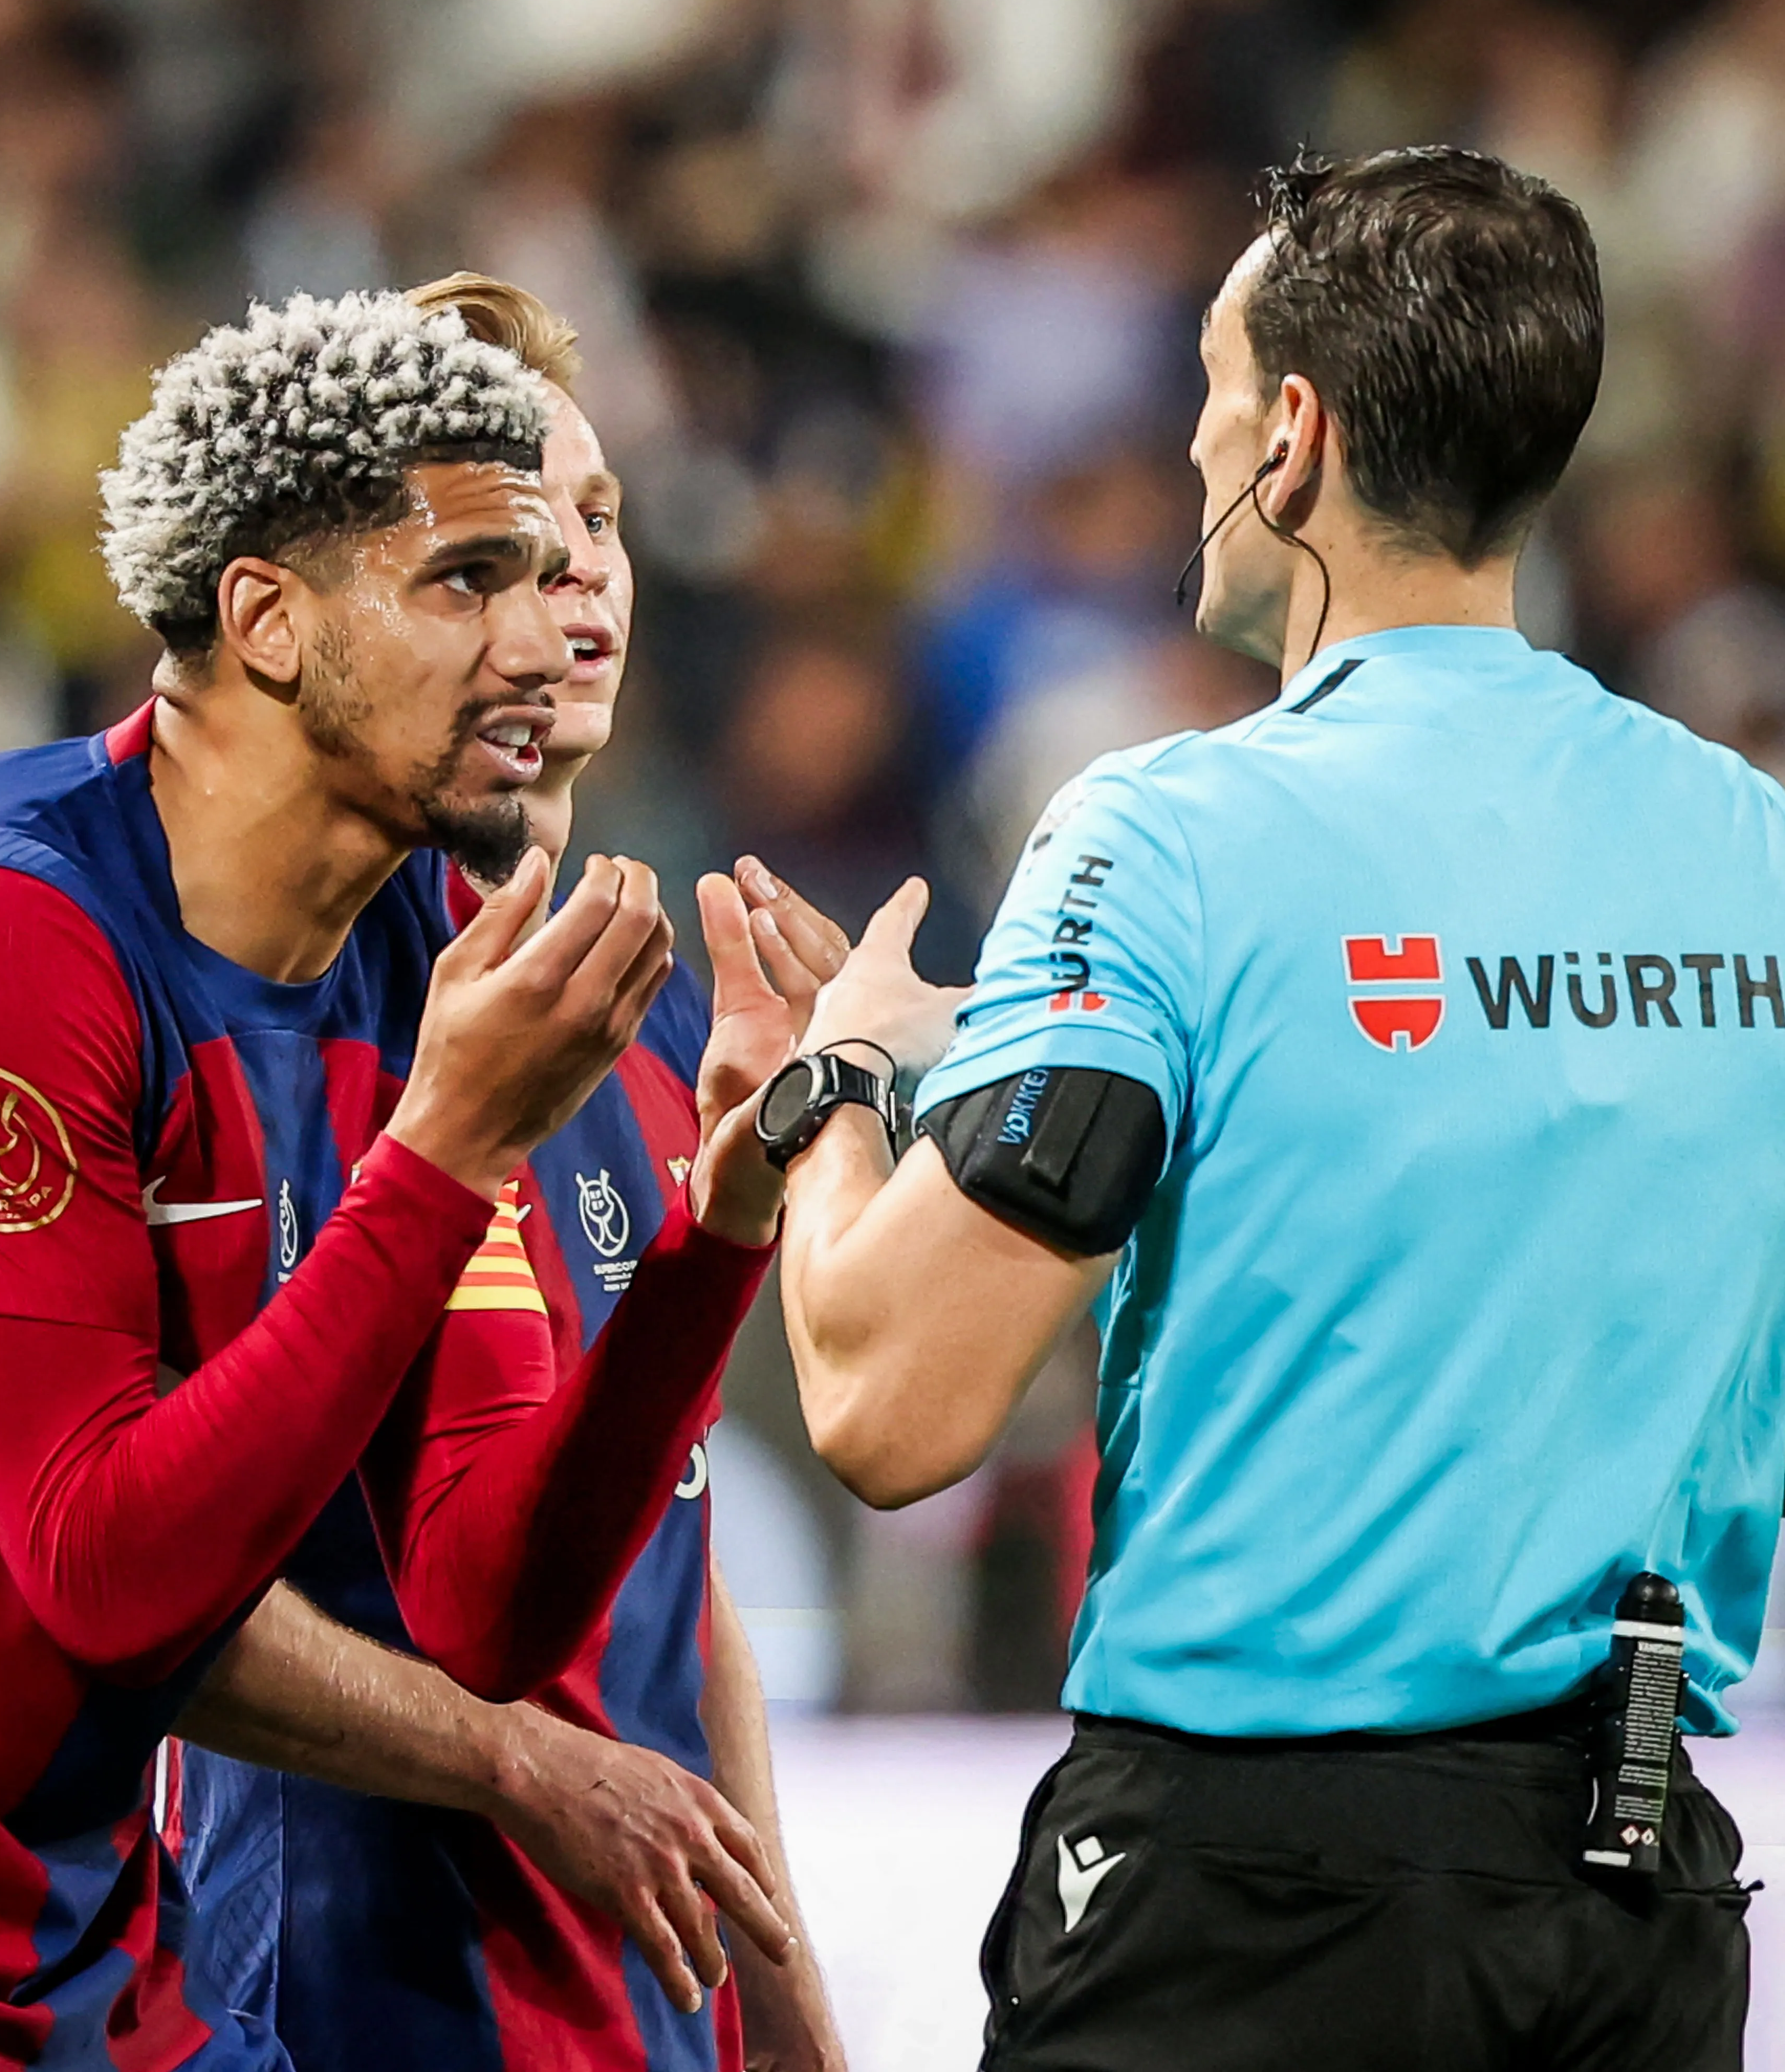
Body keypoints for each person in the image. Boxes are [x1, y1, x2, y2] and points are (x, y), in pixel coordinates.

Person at [751, 146, 1778, 2069]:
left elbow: (892, 1411)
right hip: (1642, 1912)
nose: (1199, 443)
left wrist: (833, 1080)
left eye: (1213, 394)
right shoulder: (1755, 850)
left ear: (1289, 436)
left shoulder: (1163, 837)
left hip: (1249, 1907)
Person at [0, 289, 792, 2071]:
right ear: (267, 620)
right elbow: (106, 1575)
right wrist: (443, 1157)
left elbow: (490, 1614)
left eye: (565, 558)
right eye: (467, 581)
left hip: (114, 1975)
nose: (547, 632)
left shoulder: (412, 953)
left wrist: (716, 1240)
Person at [166, 275, 845, 2072]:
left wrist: (786, 2008)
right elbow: (478, 1613)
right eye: (508, 559)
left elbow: (671, 1582)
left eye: (599, 527)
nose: (582, 587)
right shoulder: (366, 1011)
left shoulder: (627, 1012)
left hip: (639, 2009)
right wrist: (731, 1222)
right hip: (387, 1996)